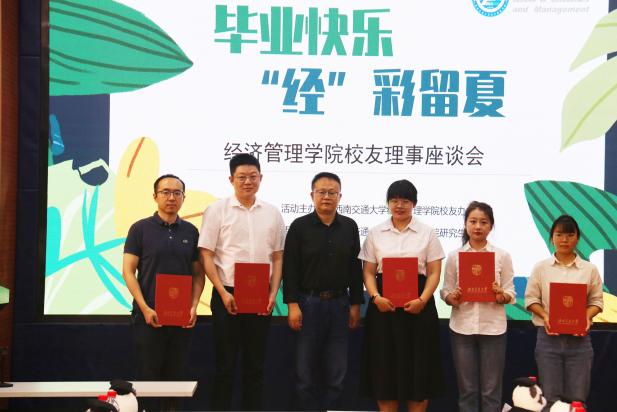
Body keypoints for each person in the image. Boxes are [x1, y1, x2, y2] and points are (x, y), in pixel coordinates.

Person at [198, 153, 286, 411]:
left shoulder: (272, 213)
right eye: (242, 177)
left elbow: (278, 256)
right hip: (227, 294)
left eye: (253, 176)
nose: (248, 182)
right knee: (225, 365)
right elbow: (206, 254)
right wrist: (222, 292)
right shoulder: (217, 210)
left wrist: (273, 293)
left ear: (261, 178)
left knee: (255, 366)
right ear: (231, 179)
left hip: (261, 296)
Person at [359, 179, 444, 412]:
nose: (399, 205)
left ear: (414, 203)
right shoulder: (375, 233)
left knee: (419, 369)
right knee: (384, 368)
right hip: (383, 308)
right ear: (388, 203)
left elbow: (434, 272)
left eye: (405, 200)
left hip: (418, 308)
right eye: (394, 200)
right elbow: (368, 272)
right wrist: (375, 297)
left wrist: (422, 300)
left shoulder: (427, 233)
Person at [122, 174, 204, 411]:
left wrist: (193, 305)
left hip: (180, 319)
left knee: (176, 378)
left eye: (177, 193)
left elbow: (198, 274)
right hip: (149, 317)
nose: (171, 197)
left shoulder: (191, 231)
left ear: (183, 198)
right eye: (165, 192)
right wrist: (145, 308)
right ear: (155, 196)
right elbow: (128, 271)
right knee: (147, 378)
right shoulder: (140, 229)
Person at [282, 172, 364, 411]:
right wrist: (292, 305)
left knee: (337, 371)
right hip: (308, 304)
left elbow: (355, 269)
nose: (327, 197)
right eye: (321, 192)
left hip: (340, 304)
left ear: (340, 196)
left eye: (332, 192)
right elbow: (290, 268)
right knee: (305, 372)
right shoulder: (299, 226)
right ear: (312, 195)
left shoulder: (349, 226)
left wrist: (355, 304)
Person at [440, 201, 515, 412]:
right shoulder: (454, 256)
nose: (478, 226)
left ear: (491, 226)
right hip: (462, 328)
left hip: (493, 329)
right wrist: (451, 297)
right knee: (468, 391)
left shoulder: (502, 256)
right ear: (465, 224)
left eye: (484, 222)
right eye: (473, 221)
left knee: (491, 391)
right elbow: (445, 290)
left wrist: (501, 295)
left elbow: (510, 292)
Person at [524, 215, 603, 409]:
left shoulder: (590, 269)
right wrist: (545, 316)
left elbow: (596, 302)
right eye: (559, 234)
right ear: (552, 238)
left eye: (570, 235)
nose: (564, 239)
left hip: (580, 342)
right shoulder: (541, 268)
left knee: (578, 400)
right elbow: (531, 300)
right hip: (548, 340)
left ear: (578, 238)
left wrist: (586, 316)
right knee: (550, 400)